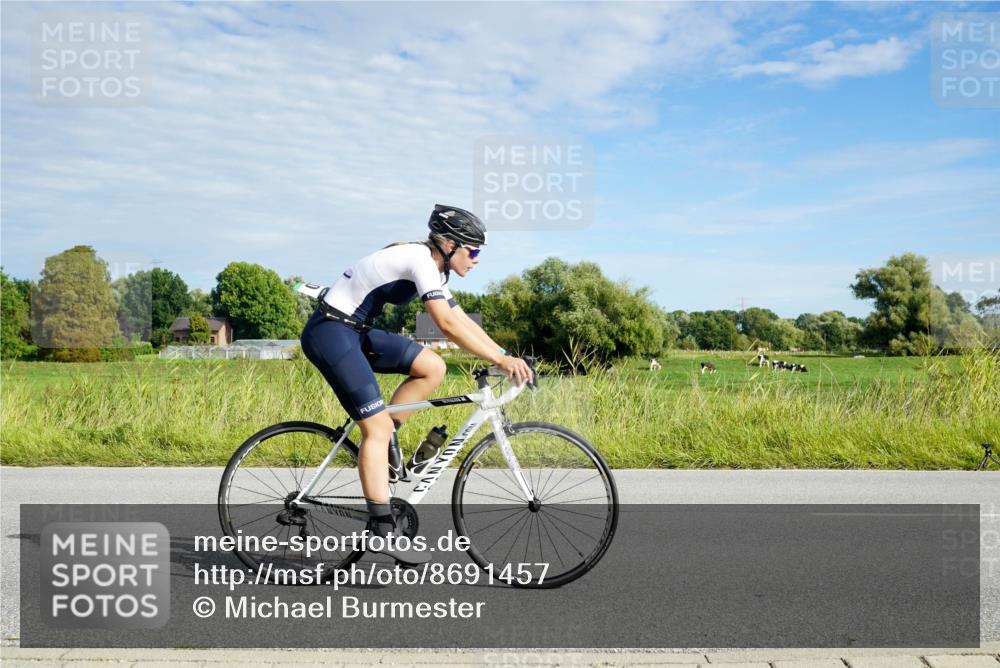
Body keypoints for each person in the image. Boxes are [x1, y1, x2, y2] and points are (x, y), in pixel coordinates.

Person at [299, 204, 532, 565]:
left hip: (354, 331)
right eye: (473, 250)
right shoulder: (421, 259)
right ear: (450, 245)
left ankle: (386, 444)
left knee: (432, 367)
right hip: (330, 332)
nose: (477, 259)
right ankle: (381, 529)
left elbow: (460, 319)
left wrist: (502, 353)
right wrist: (500, 361)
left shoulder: (434, 268)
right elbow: (447, 327)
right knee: (373, 429)